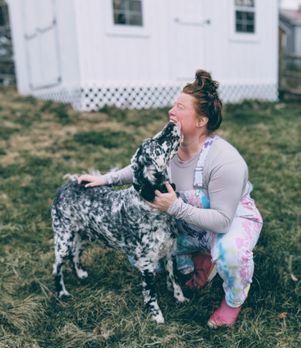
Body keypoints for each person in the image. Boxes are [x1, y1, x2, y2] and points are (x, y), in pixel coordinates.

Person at [78, 69, 263, 328]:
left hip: (228, 221)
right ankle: (200, 255)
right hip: (188, 222)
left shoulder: (226, 161)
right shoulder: (172, 142)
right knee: (140, 249)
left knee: (230, 253)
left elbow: (221, 221)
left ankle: (231, 303)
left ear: (201, 120)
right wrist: (107, 179)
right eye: (173, 105)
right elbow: (144, 166)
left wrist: (175, 206)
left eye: (180, 107)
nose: (171, 111)